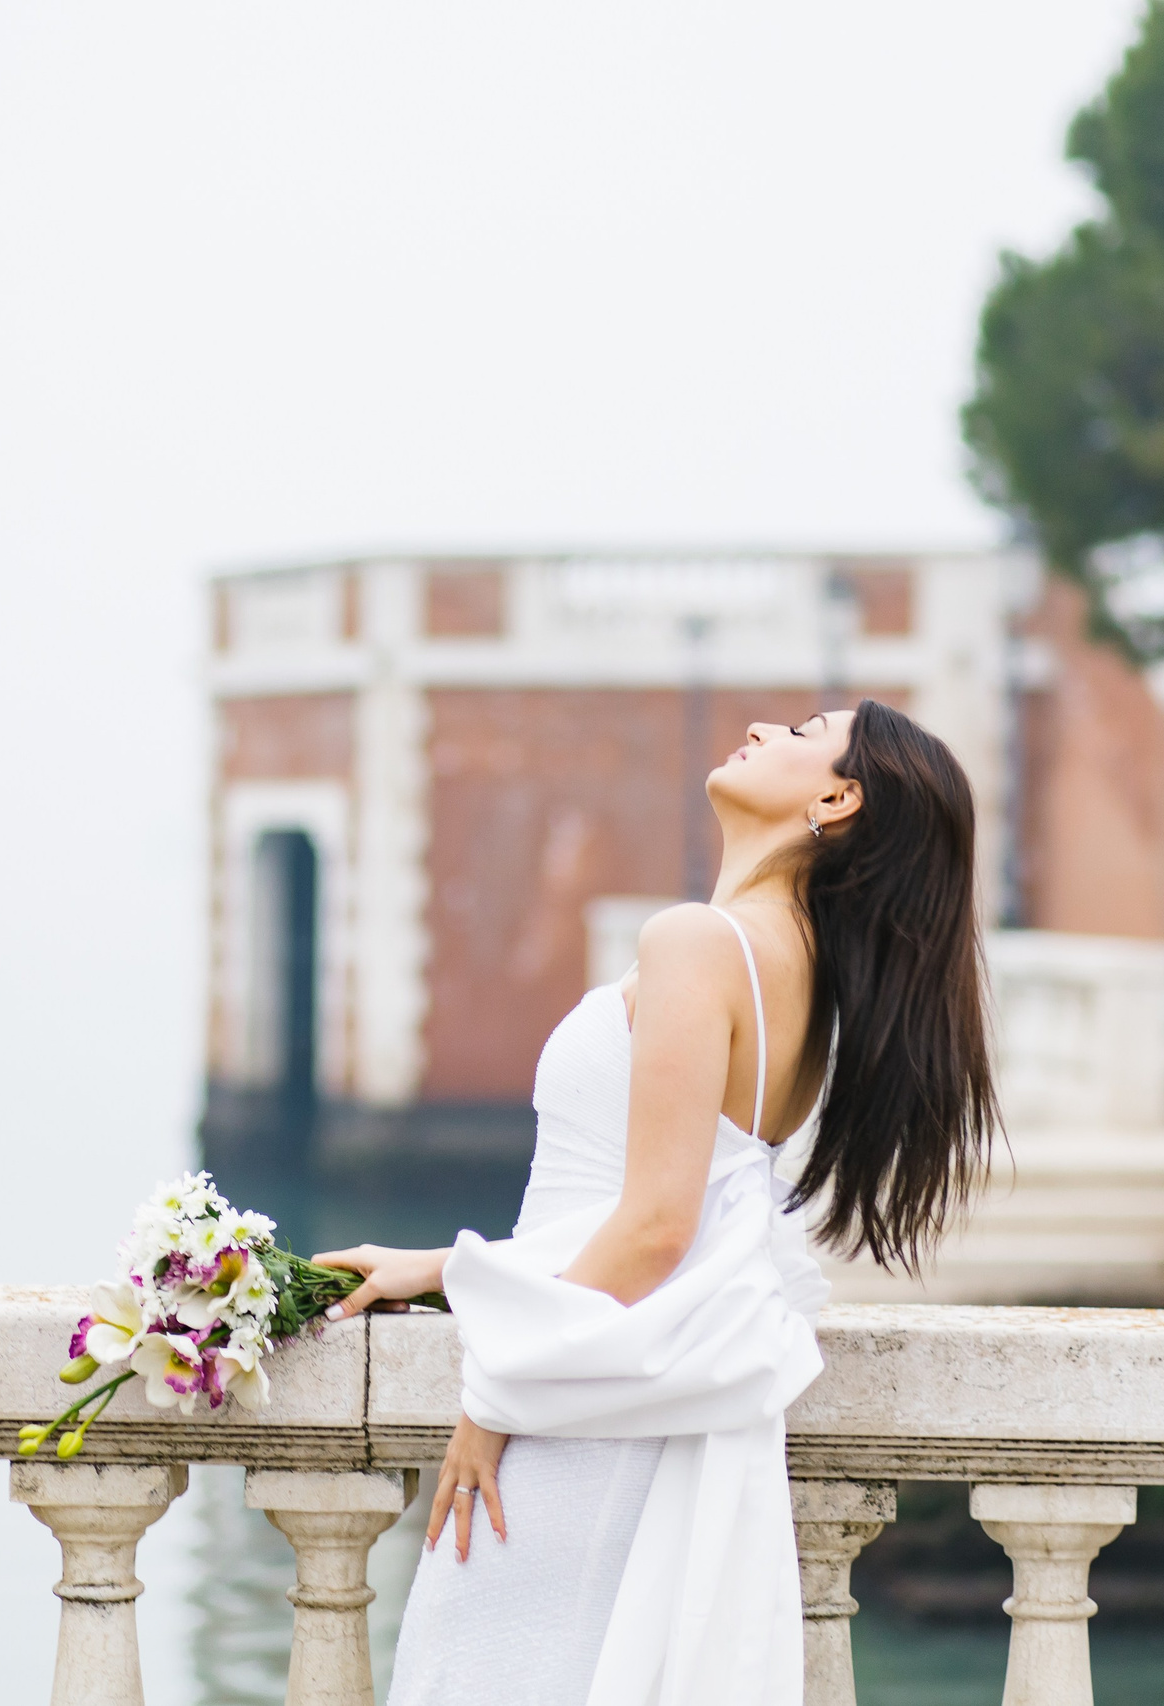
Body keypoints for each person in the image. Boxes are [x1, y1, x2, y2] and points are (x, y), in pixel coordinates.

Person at [314, 699, 998, 1706]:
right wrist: (449, 1267)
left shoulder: (700, 942)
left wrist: (494, 1391)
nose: (763, 725)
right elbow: (635, 1202)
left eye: (804, 729)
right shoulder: (795, 965)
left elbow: (654, 1224)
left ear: (838, 795)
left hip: (575, 1405)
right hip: (628, 1397)